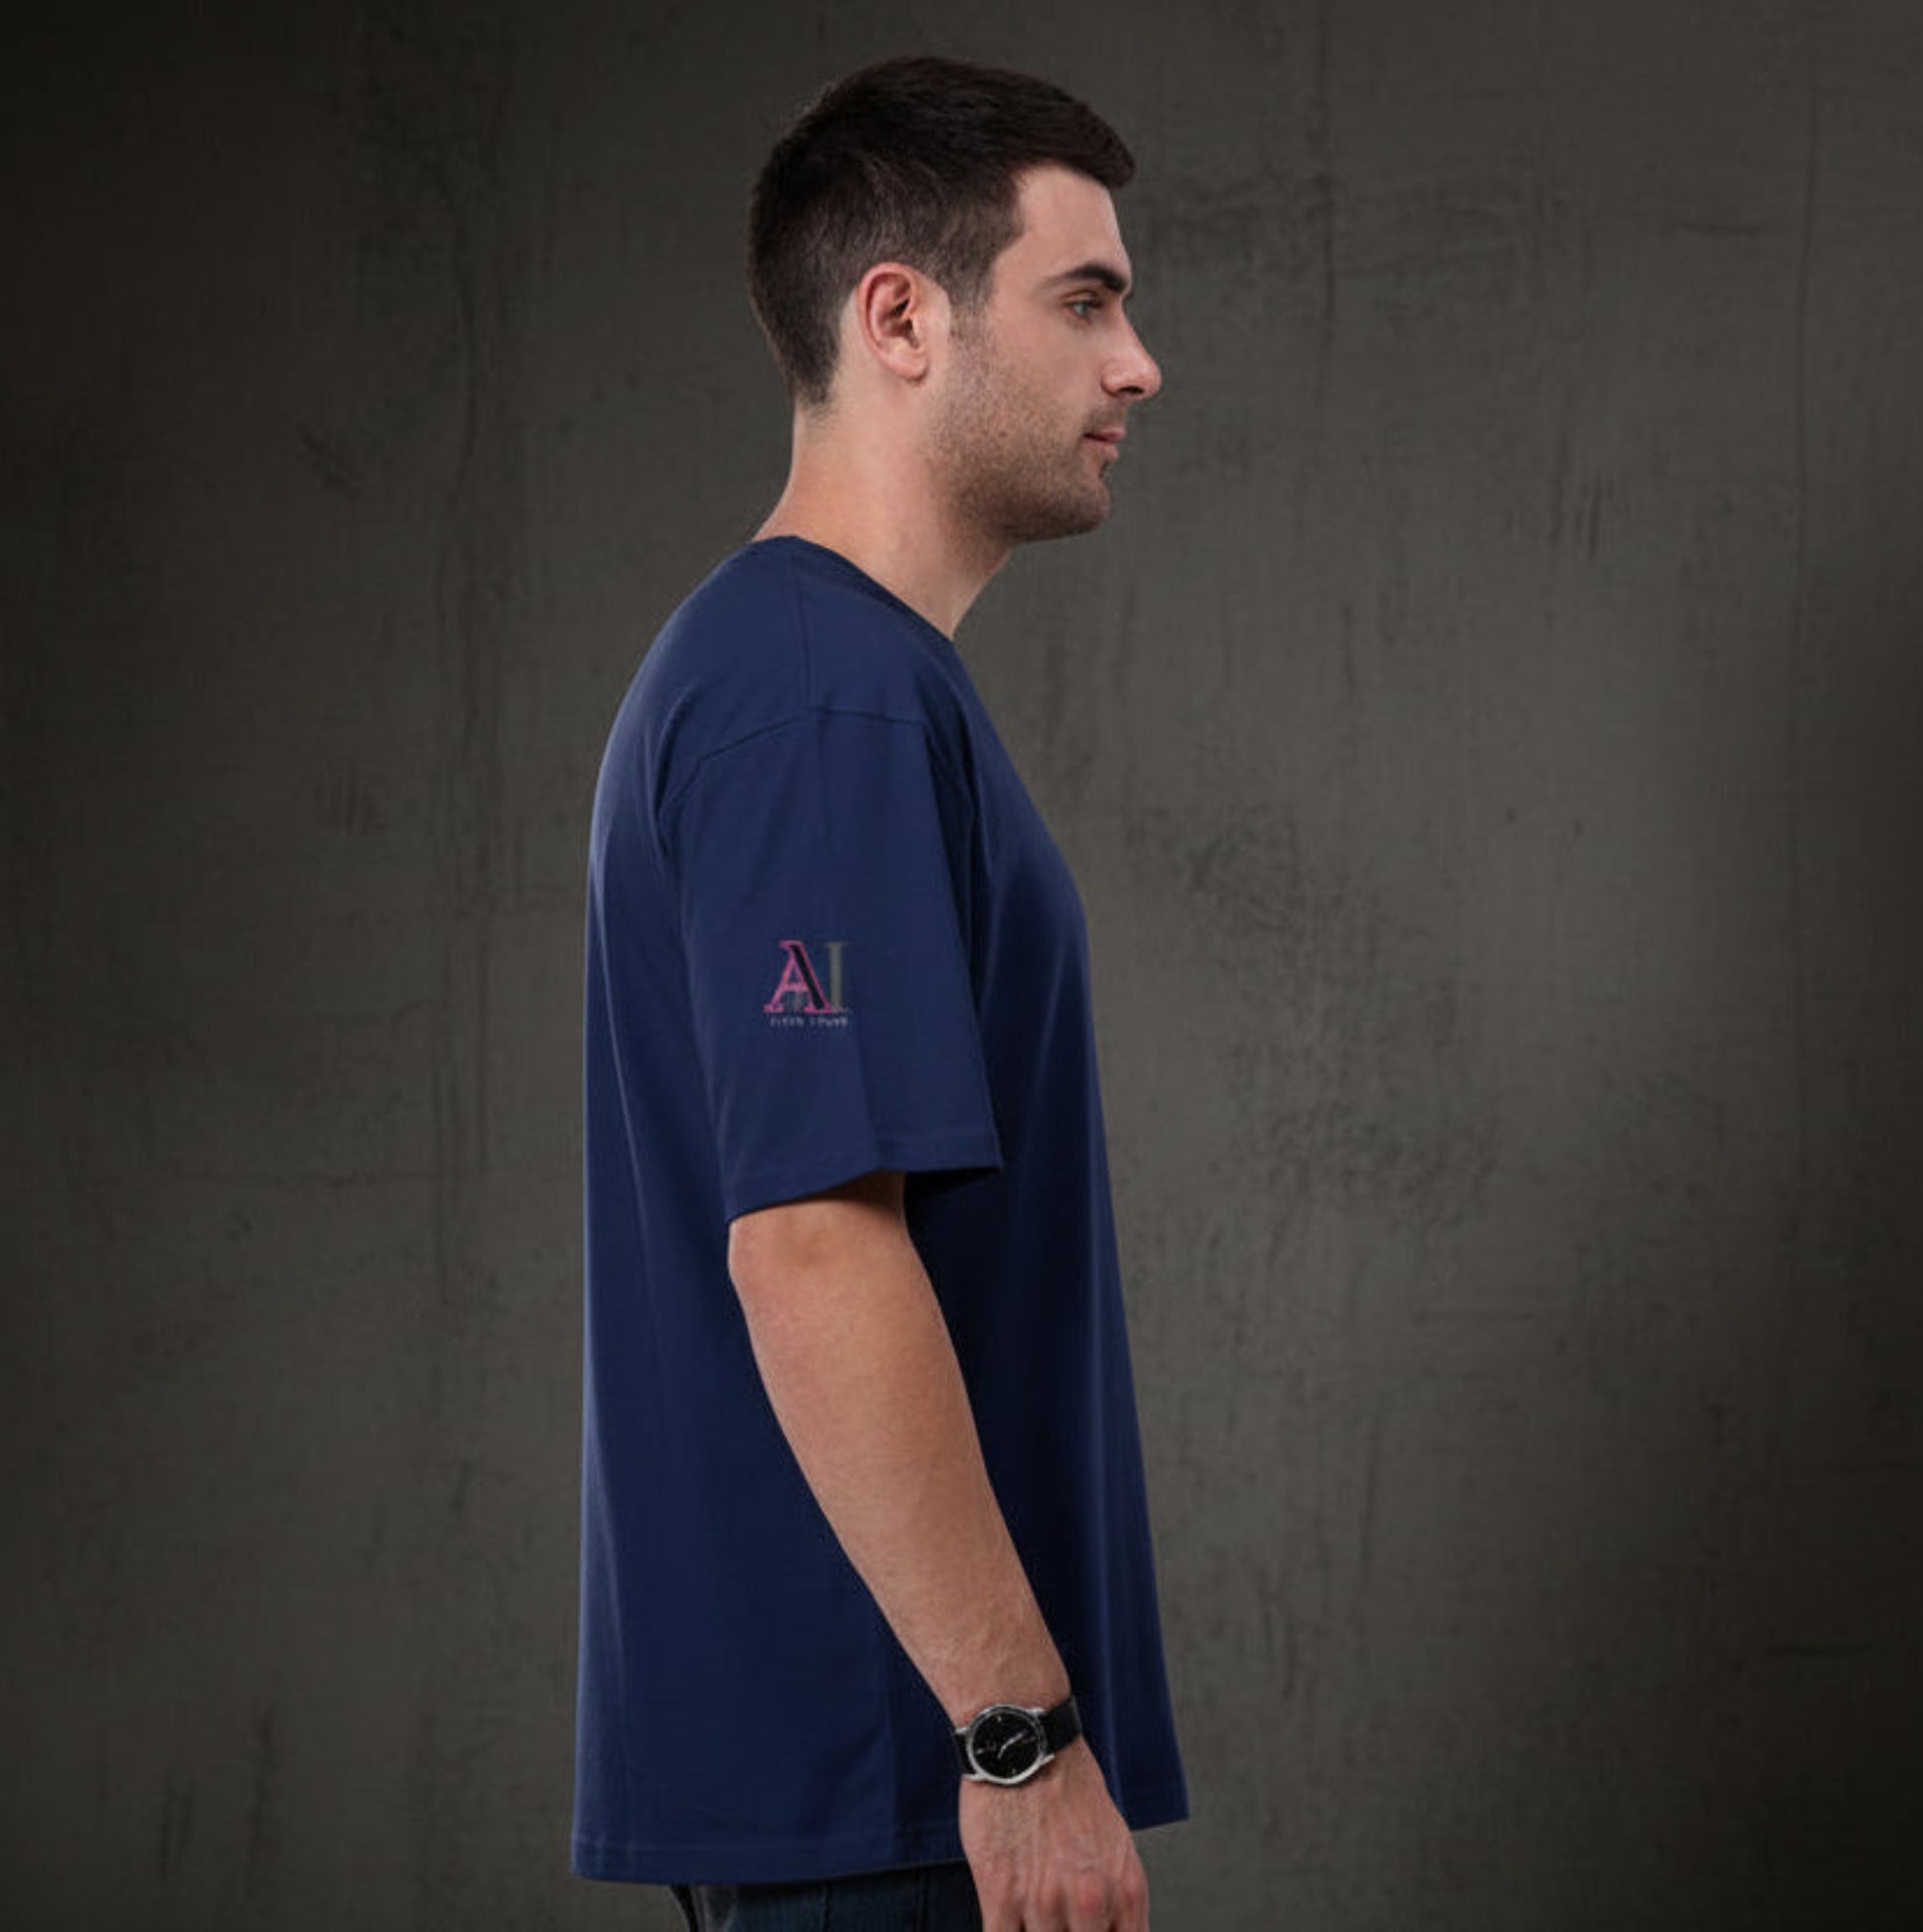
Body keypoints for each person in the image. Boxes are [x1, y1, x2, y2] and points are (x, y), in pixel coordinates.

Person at [572, 53, 1186, 1932]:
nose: (1138, 364)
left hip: (877, 1784)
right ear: (901, 319)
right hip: (893, 1782)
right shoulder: (811, 697)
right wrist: (1016, 1741)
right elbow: (812, 1246)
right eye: (1084, 300)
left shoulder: (829, 680)